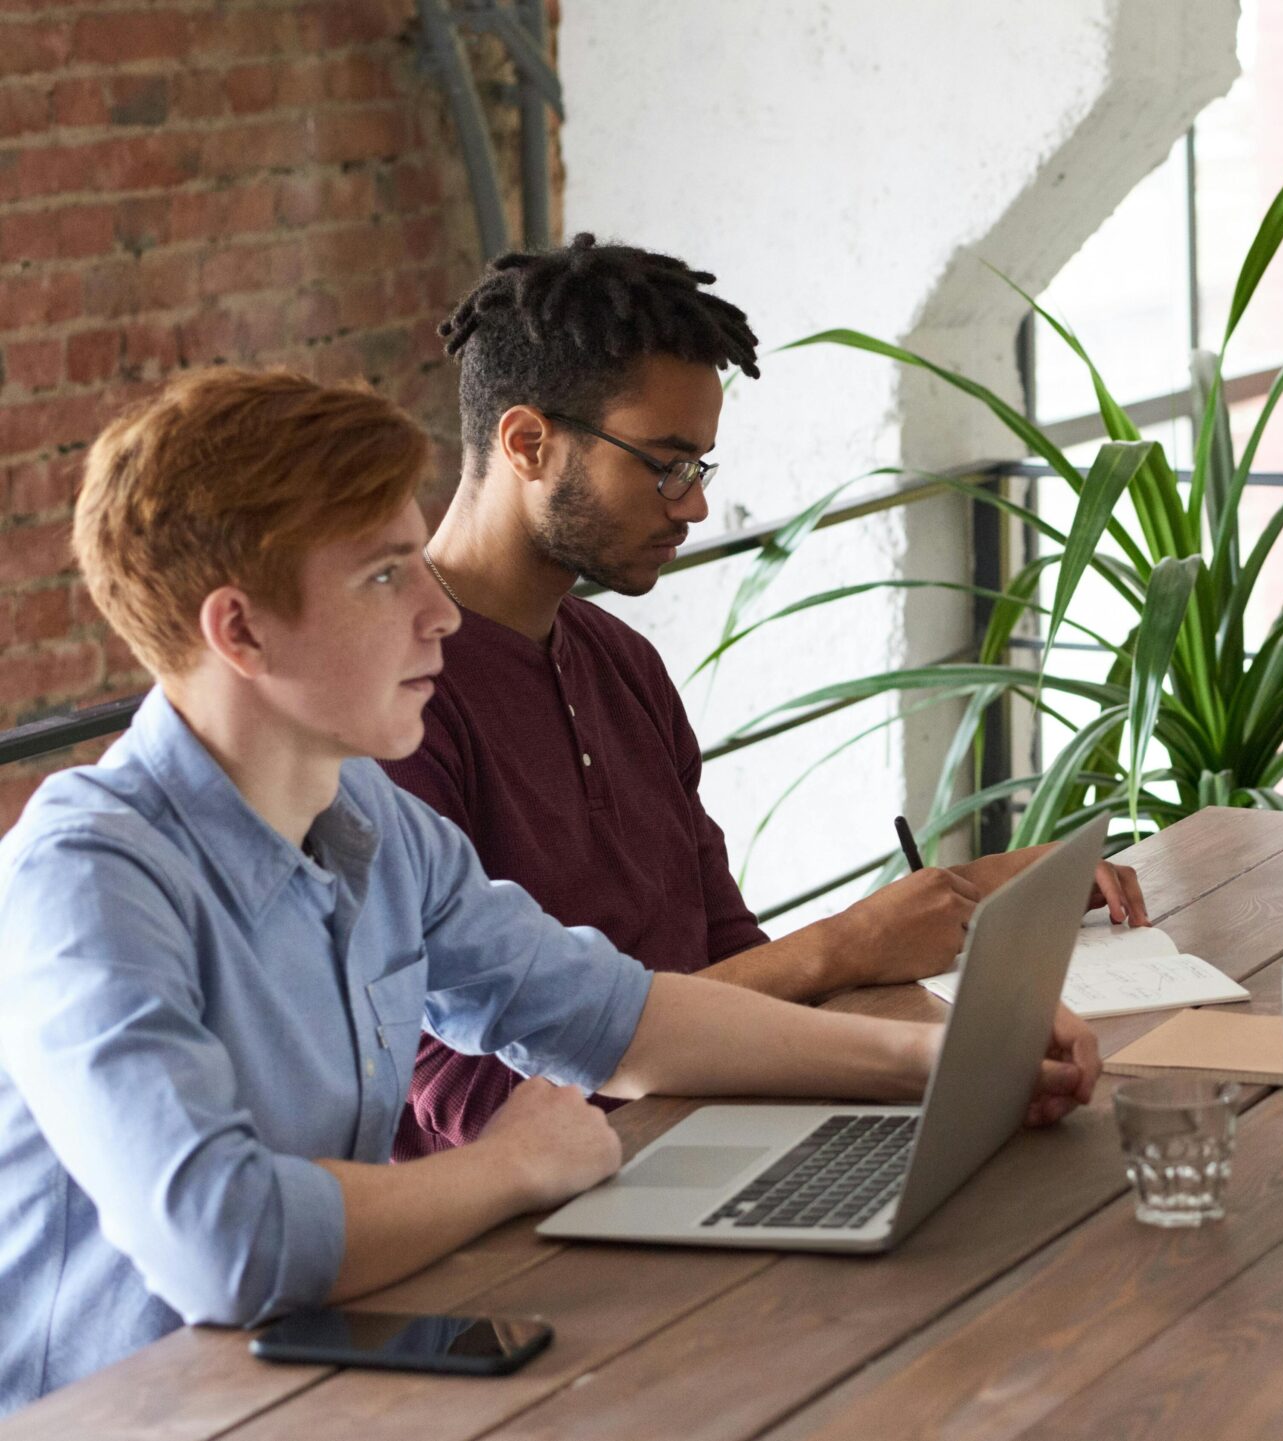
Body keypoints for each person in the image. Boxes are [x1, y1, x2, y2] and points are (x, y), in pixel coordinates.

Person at [0, 369, 1099, 1412]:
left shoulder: (373, 825)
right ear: (238, 629)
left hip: (321, 1381)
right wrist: (514, 1165)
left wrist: (950, 1061)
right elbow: (223, 1244)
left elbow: (619, 1015)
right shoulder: (86, 878)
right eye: (386, 574)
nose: (438, 612)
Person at [395, 235, 1142, 1155]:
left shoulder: (621, 662)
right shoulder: (397, 703)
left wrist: (959, 931)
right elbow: (471, 1108)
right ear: (527, 443)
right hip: (538, 1232)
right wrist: (846, 948)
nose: (693, 506)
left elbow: (725, 957)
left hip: (716, 1138)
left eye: (699, 468)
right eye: (665, 465)